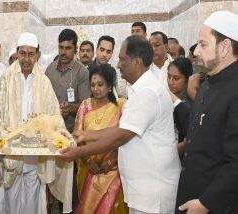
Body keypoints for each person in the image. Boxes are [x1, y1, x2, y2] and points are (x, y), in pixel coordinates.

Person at [60, 35, 181, 214]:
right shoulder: (139, 90)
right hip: (143, 188)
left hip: (152, 191)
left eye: (122, 59)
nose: (118, 64)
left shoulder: (147, 93)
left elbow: (121, 136)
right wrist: (86, 135)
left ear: (137, 62)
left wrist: (77, 152)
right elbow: (122, 129)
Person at [0, 32, 74, 214]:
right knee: (11, 196)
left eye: (31, 54)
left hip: (35, 152)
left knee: (32, 196)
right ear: (17, 53)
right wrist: (4, 139)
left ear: (37, 54)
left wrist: (63, 135)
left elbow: (53, 115)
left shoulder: (43, 82)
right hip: (12, 150)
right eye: (22, 53)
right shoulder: (7, 78)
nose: (26, 59)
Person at [176, 11, 238, 214]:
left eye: (203, 44)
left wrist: (206, 203)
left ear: (225, 47)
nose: (195, 51)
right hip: (193, 196)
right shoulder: (207, 82)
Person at [75, 64, 128, 214]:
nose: (96, 89)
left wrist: (112, 161)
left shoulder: (121, 106)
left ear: (110, 86)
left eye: (100, 84)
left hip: (113, 170)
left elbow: (125, 138)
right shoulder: (85, 105)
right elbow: (77, 137)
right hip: (88, 169)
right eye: (92, 85)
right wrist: (89, 161)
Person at [45, 28, 91, 133]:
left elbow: (86, 106)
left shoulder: (82, 72)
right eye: (61, 48)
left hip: (72, 131)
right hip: (50, 129)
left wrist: (70, 108)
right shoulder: (49, 70)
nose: (63, 52)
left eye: (68, 48)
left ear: (75, 50)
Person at [167, 57, 193, 156]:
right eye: (168, 77)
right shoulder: (165, 98)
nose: (170, 82)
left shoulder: (191, 103)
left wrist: (168, 156)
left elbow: (188, 141)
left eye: (176, 78)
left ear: (187, 79)